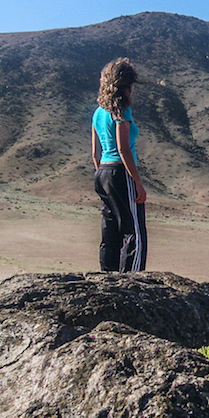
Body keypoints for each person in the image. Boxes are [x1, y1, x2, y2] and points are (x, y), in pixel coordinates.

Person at [91, 57, 147, 272]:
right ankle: (132, 280)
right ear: (126, 85)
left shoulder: (98, 112)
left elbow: (95, 152)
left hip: (103, 171)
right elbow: (123, 148)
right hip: (119, 171)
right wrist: (138, 183)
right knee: (134, 231)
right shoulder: (121, 110)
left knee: (110, 227)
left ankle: (107, 275)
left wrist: (102, 175)